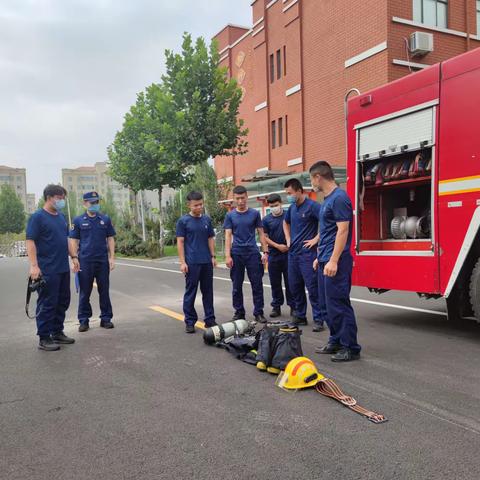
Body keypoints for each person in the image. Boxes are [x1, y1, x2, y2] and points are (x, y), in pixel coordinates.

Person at [310, 161, 361, 362]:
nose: (311, 183)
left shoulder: (339, 198)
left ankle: (351, 347)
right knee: (327, 305)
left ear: (318, 177)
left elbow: (343, 230)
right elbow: (327, 232)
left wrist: (333, 260)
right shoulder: (328, 199)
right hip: (325, 259)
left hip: (336, 261)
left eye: (311, 178)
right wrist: (319, 258)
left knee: (339, 303)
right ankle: (336, 340)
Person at [26, 184, 75, 351]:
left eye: (63, 198)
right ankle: (44, 337)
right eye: (59, 198)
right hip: (47, 269)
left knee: (63, 301)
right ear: (49, 198)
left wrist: (74, 257)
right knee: (48, 302)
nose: (62, 201)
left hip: (62, 267)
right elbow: (30, 241)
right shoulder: (38, 217)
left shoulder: (61, 217)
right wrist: (34, 266)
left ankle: (57, 332)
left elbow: (66, 239)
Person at [69, 191, 116, 332]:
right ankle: (84, 320)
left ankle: (106, 318)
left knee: (104, 291)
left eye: (96, 202)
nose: (94, 205)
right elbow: (73, 241)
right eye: (91, 202)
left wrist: (112, 257)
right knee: (85, 292)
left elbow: (110, 238)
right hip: (85, 261)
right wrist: (74, 258)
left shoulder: (105, 219)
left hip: (102, 261)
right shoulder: (78, 221)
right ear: (85, 203)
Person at [283, 178, 324, 332]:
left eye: (290, 193)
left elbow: (327, 222)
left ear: (299, 191)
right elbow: (285, 223)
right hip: (293, 254)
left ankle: (319, 319)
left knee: (312, 287)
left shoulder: (312, 206)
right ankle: (300, 315)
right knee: (295, 286)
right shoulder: (292, 208)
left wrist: (316, 239)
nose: (288, 196)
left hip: (307, 254)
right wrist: (288, 238)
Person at [224, 185, 268, 323]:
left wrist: (265, 252)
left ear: (247, 197)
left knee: (257, 284)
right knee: (236, 285)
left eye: (243, 198)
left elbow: (261, 233)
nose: (241, 201)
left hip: (253, 253)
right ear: (234, 199)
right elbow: (228, 236)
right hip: (236, 253)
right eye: (238, 198)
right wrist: (227, 255)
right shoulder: (230, 215)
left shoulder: (254, 214)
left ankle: (259, 312)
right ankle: (239, 312)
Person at [176, 191, 217, 334]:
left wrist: (213, 256)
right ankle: (190, 321)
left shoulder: (206, 220)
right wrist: (183, 262)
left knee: (208, 292)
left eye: (201, 204)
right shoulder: (183, 221)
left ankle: (210, 319)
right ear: (189, 205)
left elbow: (210, 238)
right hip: (192, 263)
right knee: (191, 292)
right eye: (196, 205)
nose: (199, 207)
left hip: (206, 261)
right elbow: (180, 242)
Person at [262, 193, 294, 318]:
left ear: (280, 203)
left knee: (290, 282)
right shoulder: (266, 220)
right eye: (271, 206)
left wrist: (287, 245)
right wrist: (277, 246)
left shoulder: (288, 215)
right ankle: (276, 306)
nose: (274, 208)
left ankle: (293, 306)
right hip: (274, 255)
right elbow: (264, 237)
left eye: (276, 205)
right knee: (275, 282)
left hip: (288, 254)